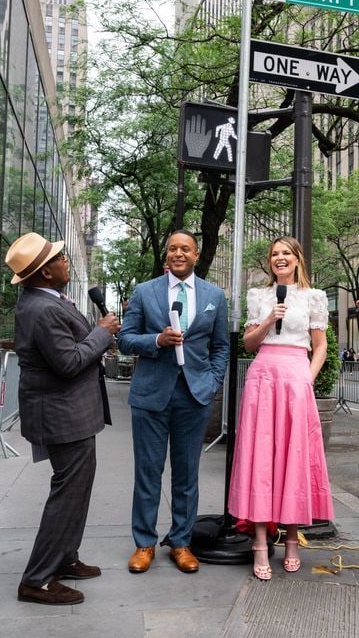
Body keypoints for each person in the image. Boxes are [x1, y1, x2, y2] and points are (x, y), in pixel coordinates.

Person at [5, 232, 120, 606]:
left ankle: (65, 557)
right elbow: (69, 362)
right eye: (60, 258)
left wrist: (98, 336)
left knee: (77, 489)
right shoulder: (43, 308)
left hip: (72, 413)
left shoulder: (47, 300)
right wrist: (102, 334)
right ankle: (37, 579)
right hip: (62, 415)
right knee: (67, 493)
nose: (66, 261)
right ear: (45, 273)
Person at [118, 229, 229, 574]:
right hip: (151, 395)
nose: (178, 253)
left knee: (186, 474)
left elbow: (221, 345)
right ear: (167, 255)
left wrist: (212, 382)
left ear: (196, 255)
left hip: (195, 395)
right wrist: (157, 340)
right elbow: (124, 339)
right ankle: (144, 544)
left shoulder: (214, 295)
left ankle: (181, 542)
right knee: (148, 473)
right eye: (173, 249)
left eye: (186, 249)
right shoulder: (144, 292)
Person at [228, 237, 335, 581]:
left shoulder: (314, 298)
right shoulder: (258, 295)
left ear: (298, 258)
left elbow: (320, 347)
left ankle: (291, 539)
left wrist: (307, 377)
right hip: (263, 377)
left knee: (294, 458)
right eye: (274, 254)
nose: (280, 258)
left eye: (286, 253)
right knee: (261, 459)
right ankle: (260, 542)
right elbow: (247, 343)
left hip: (296, 380)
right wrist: (266, 320)